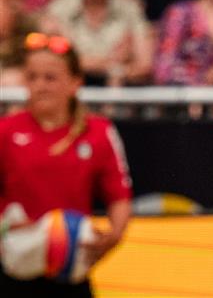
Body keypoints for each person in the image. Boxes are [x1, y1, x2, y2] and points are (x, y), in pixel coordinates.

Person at [0, 33, 132, 296]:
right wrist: (6, 225)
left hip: (70, 267)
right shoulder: (7, 130)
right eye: (32, 77)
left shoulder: (98, 132)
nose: (40, 86)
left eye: (50, 78)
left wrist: (114, 236)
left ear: (75, 83)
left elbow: (119, 195)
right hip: (15, 267)